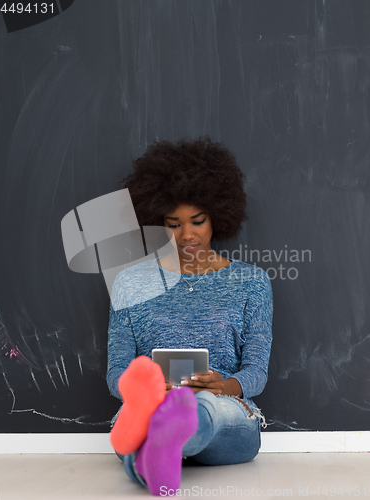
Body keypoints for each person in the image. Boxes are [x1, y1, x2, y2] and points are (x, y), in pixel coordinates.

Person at [106, 136, 273, 496]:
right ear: (155, 221)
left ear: (217, 215)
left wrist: (223, 386)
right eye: (173, 223)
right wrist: (150, 388)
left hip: (227, 405)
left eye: (197, 221)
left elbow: (257, 371)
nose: (186, 235)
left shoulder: (251, 282)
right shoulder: (129, 284)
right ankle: (162, 431)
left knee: (207, 409)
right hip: (151, 399)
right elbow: (116, 371)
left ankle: (159, 439)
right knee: (149, 408)